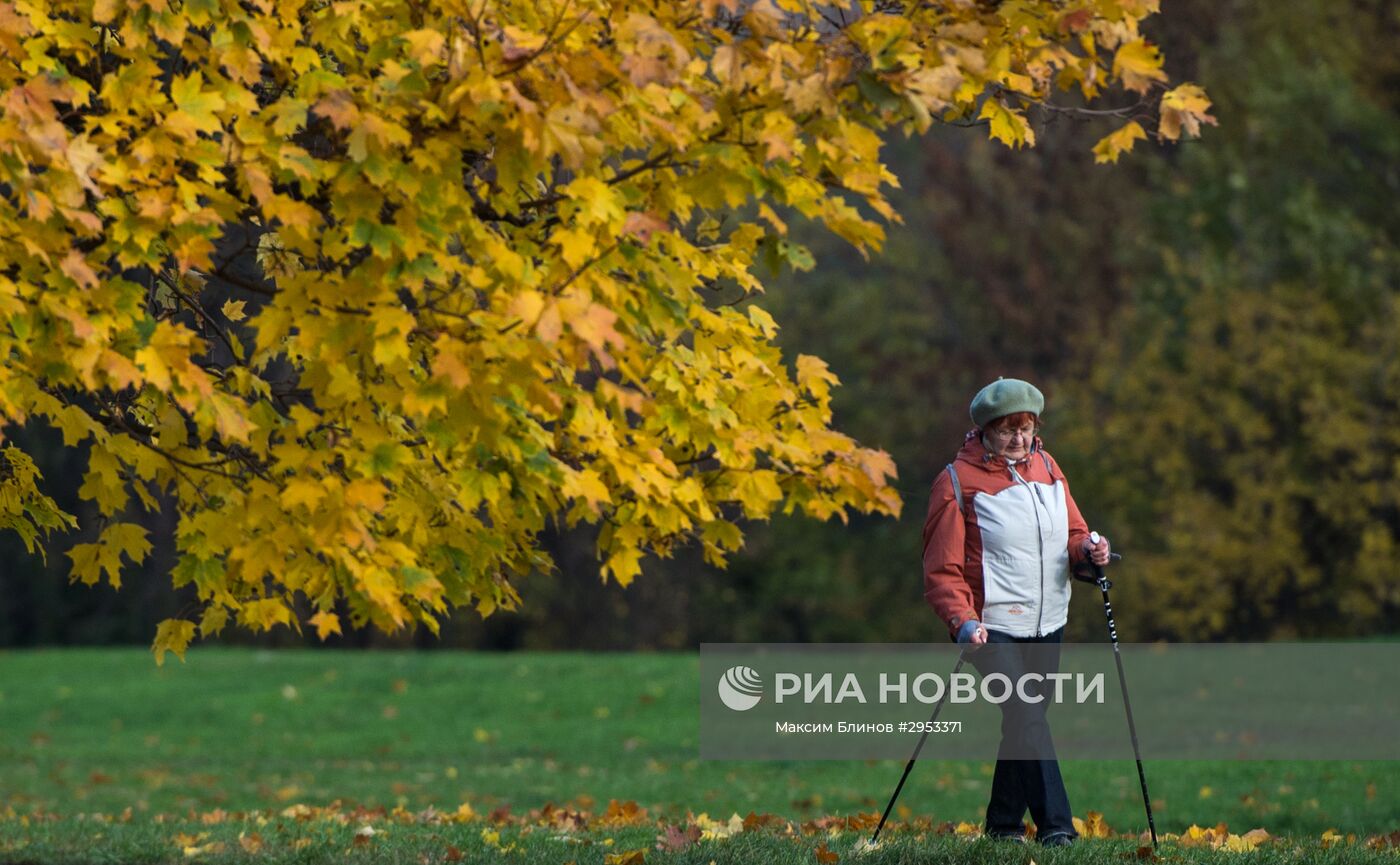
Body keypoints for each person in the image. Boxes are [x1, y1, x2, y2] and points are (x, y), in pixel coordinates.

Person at [920, 377, 1112, 848]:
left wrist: (1090, 550)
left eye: (1025, 428)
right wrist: (962, 621)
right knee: (1027, 716)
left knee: (1024, 723)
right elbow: (941, 571)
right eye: (1007, 430)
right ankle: (1058, 829)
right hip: (992, 627)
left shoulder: (1048, 467)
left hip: (1049, 622)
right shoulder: (956, 482)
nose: (1018, 439)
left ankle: (1003, 827)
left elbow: (1073, 533)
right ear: (985, 430)